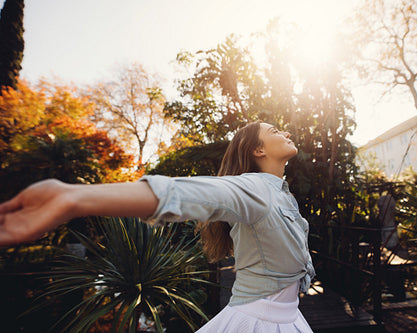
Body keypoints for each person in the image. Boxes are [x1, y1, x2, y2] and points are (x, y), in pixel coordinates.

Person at [0, 121, 315, 332]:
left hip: (290, 319)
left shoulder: (281, 193)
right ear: (258, 151)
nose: (286, 133)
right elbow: (188, 193)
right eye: (275, 131)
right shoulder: (255, 189)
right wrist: (73, 196)